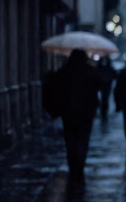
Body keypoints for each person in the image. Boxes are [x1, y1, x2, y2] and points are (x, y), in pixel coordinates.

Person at [42, 49, 101, 183]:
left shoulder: (64, 71)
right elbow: (101, 84)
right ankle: (79, 165)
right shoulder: (89, 71)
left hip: (68, 112)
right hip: (86, 112)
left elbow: (54, 85)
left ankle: (72, 165)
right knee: (83, 139)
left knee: (70, 140)